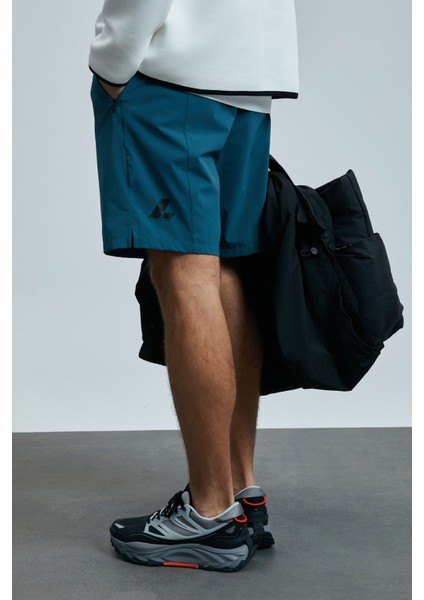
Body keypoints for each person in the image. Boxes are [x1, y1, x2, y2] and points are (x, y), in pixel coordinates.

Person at [88, 0, 299, 573]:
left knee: (185, 271)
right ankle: (240, 493)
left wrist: (112, 60)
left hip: (172, 80)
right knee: (222, 268)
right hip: (249, 77)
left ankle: (208, 515)